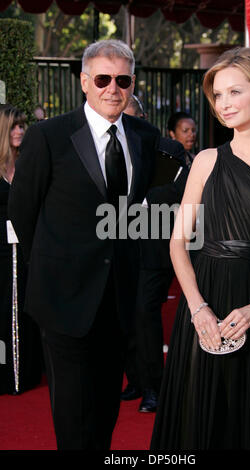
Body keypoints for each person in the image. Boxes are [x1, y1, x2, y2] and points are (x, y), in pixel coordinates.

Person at [8, 39, 165, 450]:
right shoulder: (48, 136)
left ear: (132, 84)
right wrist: (53, 267)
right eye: (102, 78)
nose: (112, 88)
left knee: (105, 411)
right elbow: (23, 213)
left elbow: (142, 210)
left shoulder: (146, 138)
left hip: (119, 300)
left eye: (122, 79)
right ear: (84, 82)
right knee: (74, 413)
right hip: (63, 298)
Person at [151, 47, 250, 450]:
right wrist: (197, 307)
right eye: (218, 95)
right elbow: (178, 243)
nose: (224, 104)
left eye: (235, 92)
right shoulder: (205, 160)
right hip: (205, 301)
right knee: (198, 417)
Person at [121, 102, 197, 412]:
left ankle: (155, 385)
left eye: (129, 117)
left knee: (145, 311)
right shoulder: (103, 146)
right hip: (119, 245)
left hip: (157, 244)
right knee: (126, 313)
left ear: (142, 119)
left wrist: (141, 198)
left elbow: (186, 188)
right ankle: (137, 379)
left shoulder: (167, 149)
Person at [0, 104, 42, 395]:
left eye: (22, 125)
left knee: (29, 308)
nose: (20, 130)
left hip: (27, 250)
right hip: (1, 254)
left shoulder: (28, 163)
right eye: (15, 125)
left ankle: (26, 372)